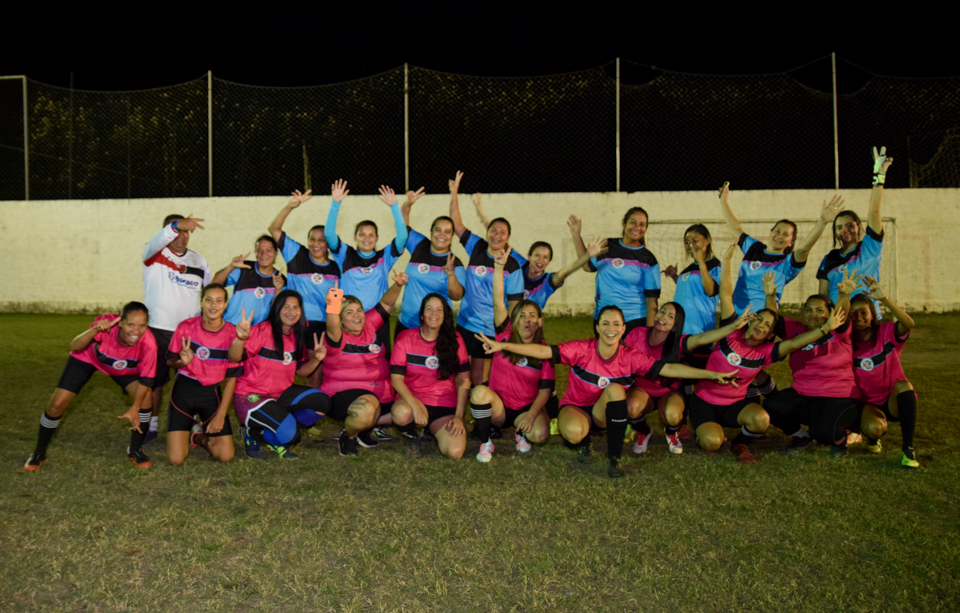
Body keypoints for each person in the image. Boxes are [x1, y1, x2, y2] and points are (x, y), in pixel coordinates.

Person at [475, 305, 738, 478]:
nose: (610, 328)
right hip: (576, 407)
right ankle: (584, 442)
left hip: (601, 412)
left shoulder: (631, 356)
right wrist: (504, 346)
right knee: (574, 433)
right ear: (598, 327)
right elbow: (544, 351)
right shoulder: (582, 349)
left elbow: (669, 368)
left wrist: (711, 374)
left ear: (623, 329)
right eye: (605, 323)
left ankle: (614, 459)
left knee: (615, 390)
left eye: (616, 324)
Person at [689, 245, 848, 465]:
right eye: (759, 320)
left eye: (767, 326)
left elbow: (794, 343)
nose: (761, 326)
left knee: (761, 419)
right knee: (712, 442)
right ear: (751, 320)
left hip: (734, 404)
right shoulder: (731, 331)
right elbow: (725, 295)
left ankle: (739, 442)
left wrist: (825, 328)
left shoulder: (766, 352)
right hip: (704, 401)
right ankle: (708, 433)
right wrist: (727, 262)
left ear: (771, 334)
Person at [24, 302, 158, 471]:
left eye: (142, 326)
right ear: (120, 322)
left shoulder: (149, 343)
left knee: (146, 398)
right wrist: (95, 329)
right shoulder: (107, 324)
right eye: (131, 325)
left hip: (124, 368)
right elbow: (75, 346)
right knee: (56, 404)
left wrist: (135, 407)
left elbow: (146, 380)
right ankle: (38, 452)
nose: (136, 331)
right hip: (88, 359)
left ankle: (135, 450)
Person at [624, 302, 756, 456]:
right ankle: (644, 432)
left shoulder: (678, 342)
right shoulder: (637, 333)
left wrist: (734, 326)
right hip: (642, 389)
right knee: (630, 408)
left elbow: (702, 338)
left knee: (672, 415)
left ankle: (671, 433)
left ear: (675, 326)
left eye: (670, 316)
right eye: (662, 311)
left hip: (669, 391)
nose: (663, 317)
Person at [469, 249, 557, 462]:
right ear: (515, 320)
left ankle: (521, 432)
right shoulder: (504, 334)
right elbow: (498, 302)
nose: (527, 320)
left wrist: (532, 415)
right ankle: (486, 441)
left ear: (539, 322)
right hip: (499, 407)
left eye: (532, 315)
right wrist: (499, 268)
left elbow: (546, 390)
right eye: (522, 315)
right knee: (479, 393)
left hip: (524, 408)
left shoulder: (544, 351)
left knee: (540, 434)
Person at [763, 269, 862, 457]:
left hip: (837, 396)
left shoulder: (838, 331)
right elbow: (774, 320)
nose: (813, 314)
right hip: (804, 395)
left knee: (823, 433)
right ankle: (802, 436)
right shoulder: (798, 330)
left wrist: (844, 295)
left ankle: (842, 438)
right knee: (772, 406)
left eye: (819, 310)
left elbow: (841, 313)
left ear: (830, 313)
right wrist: (770, 296)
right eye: (808, 310)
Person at [228, 291, 329, 460]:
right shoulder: (262, 330)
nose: (291, 311)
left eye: (296, 307)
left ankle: (278, 426)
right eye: (286, 307)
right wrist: (240, 339)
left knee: (322, 401)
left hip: (280, 394)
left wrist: (316, 359)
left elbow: (301, 371)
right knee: (291, 437)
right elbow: (234, 357)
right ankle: (252, 433)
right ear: (277, 309)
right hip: (251, 395)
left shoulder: (296, 334)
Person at [447, 171, 526, 385]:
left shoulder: (513, 267)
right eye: (493, 230)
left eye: (502, 232)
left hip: (490, 330)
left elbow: (515, 306)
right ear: (487, 232)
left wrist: (508, 334)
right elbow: (456, 224)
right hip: (465, 324)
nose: (497, 235)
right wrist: (454, 193)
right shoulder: (477, 246)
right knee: (460, 373)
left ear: (508, 238)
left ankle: (479, 404)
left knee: (479, 379)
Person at [718, 182, 844, 314]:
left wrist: (822, 221)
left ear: (791, 242)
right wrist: (724, 202)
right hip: (735, 314)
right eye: (777, 231)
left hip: (761, 319)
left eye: (785, 234)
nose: (779, 236)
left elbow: (803, 249)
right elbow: (736, 230)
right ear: (771, 232)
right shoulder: (754, 248)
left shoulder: (787, 263)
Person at [321, 272, 408, 455]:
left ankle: (364, 427)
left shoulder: (369, 325)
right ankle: (349, 435)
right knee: (366, 410)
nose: (357, 315)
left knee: (410, 410)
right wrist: (333, 307)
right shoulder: (337, 337)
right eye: (349, 312)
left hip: (381, 392)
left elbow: (386, 304)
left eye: (359, 310)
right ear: (341, 319)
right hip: (343, 394)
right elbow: (332, 326)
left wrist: (398, 285)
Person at [142, 213, 210, 444]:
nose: (182, 236)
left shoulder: (199, 260)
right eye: (177, 230)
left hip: (189, 334)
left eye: (186, 231)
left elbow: (208, 292)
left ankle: (191, 424)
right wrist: (176, 225)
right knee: (155, 382)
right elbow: (158, 239)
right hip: (158, 330)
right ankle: (150, 426)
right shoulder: (153, 253)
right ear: (167, 232)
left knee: (190, 381)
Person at [471, 194, 604, 311]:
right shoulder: (519, 263)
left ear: (549, 262)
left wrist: (586, 253)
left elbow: (568, 270)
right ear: (529, 256)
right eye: (537, 255)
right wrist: (481, 212)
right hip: (508, 320)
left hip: (530, 324)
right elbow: (499, 237)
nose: (540, 260)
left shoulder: (548, 282)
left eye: (545, 257)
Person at [268, 189, 341, 387]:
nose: (316, 244)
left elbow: (338, 300)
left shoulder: (336, 268)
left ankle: (313, 400)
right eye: (312, 239)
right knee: (293, 366)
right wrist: (290, 207)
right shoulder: (297, 254)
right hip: (297, 321)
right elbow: (274, 229)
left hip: (324, 324)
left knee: (318, 368)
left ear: (328, 244)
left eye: (321, 240)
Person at [164, 284, 240, 465]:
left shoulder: (233, 333)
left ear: (226, 304)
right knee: (176, 459)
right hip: (184, 389)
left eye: (219, 300)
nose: (213, 305)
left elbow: (232, 378)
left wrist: (221, 415)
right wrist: (182, 362)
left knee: (225, 456)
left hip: (211, 393)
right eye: (208, 300)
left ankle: (198, 437)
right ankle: (188, 426)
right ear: (201, 303)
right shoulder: (186, 327)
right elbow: (169, 361)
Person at [390, 294, 471, 460]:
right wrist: (415, 405)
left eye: (439, 309)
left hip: (444, 405)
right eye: (429, 309)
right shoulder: (405, 338)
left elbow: (464, 381)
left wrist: (458, 417)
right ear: (421, 315)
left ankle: (431, 430)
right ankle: (412, 435)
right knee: (401, 413)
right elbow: (396, 379)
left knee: (454, 452)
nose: (434, 313)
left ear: (445, 315)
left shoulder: (455, 339)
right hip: (413, 401)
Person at [850, 276, 920, 468]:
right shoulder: (847, 342)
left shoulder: (886, 332)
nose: (859, 317)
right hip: (869, 403)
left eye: (863, 312)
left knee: (904, 385)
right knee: (873, 428)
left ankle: (908, 450)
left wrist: (884, 299)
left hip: (893, 400)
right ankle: (873, 439)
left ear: (872, 314)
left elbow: (909, 323)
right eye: (853, 314)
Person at [818, 147, 893, 304]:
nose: (844, 230)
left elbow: (874, 211)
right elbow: (823, 298)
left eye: (849, 225)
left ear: (859, 226)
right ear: (834, 232)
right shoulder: (829, 259)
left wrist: (879, 176)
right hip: (839, 317)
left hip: (867, 315)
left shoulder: (869, 248)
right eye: (839, 227)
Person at [568, 207, 660, 331]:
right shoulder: (607, 246)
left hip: (634, 322)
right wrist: (576, 235)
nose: (637, 227)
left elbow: (652, 301)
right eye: (633, 222)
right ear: (623, 223)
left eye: (642, 224)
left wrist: (649, 332)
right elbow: (586, 266)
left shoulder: (648, 259)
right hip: (604, 319)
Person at [325, 179, 408, 311]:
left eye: (371, 235)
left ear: (377, 238)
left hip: (377, 317)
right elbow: (329, 234)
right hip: (350, 315)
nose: (366, 239)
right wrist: (336, 203)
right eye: (362, 234)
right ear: (355, 237)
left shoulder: (385, 257)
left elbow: (403, 236)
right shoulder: (345, 254)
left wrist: (394, 207)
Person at [397, 194, 466, 340]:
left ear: (452, 236)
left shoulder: (455, 263)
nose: (442, 235)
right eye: (438, 230)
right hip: (406, 324)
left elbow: (456, 296)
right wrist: (407, 205)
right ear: (431, 232)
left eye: (447, 231)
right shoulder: (419, 245)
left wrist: (451, 275)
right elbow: (401, 227)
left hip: (436, 330)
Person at [212, 235, 286, 326]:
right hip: (231, 326)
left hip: (258, 331)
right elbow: (214, 284)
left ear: (276, 252)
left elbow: (276, 312)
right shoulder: (244, 268)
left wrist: (278, 289)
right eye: (259, 250)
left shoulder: (281, 280)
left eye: (268, 250)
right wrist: (231, 267)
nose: (263, 254)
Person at [662, 224, 721, 336]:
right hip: (679, 327)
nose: (691, 246)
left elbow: (711, 291)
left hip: (699, 329)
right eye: (687, 242)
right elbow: (690, 289)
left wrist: (701, 262)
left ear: (707, 240)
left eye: (695, 241)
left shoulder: (715, 265)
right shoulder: (689, 268)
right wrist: (675, 277)